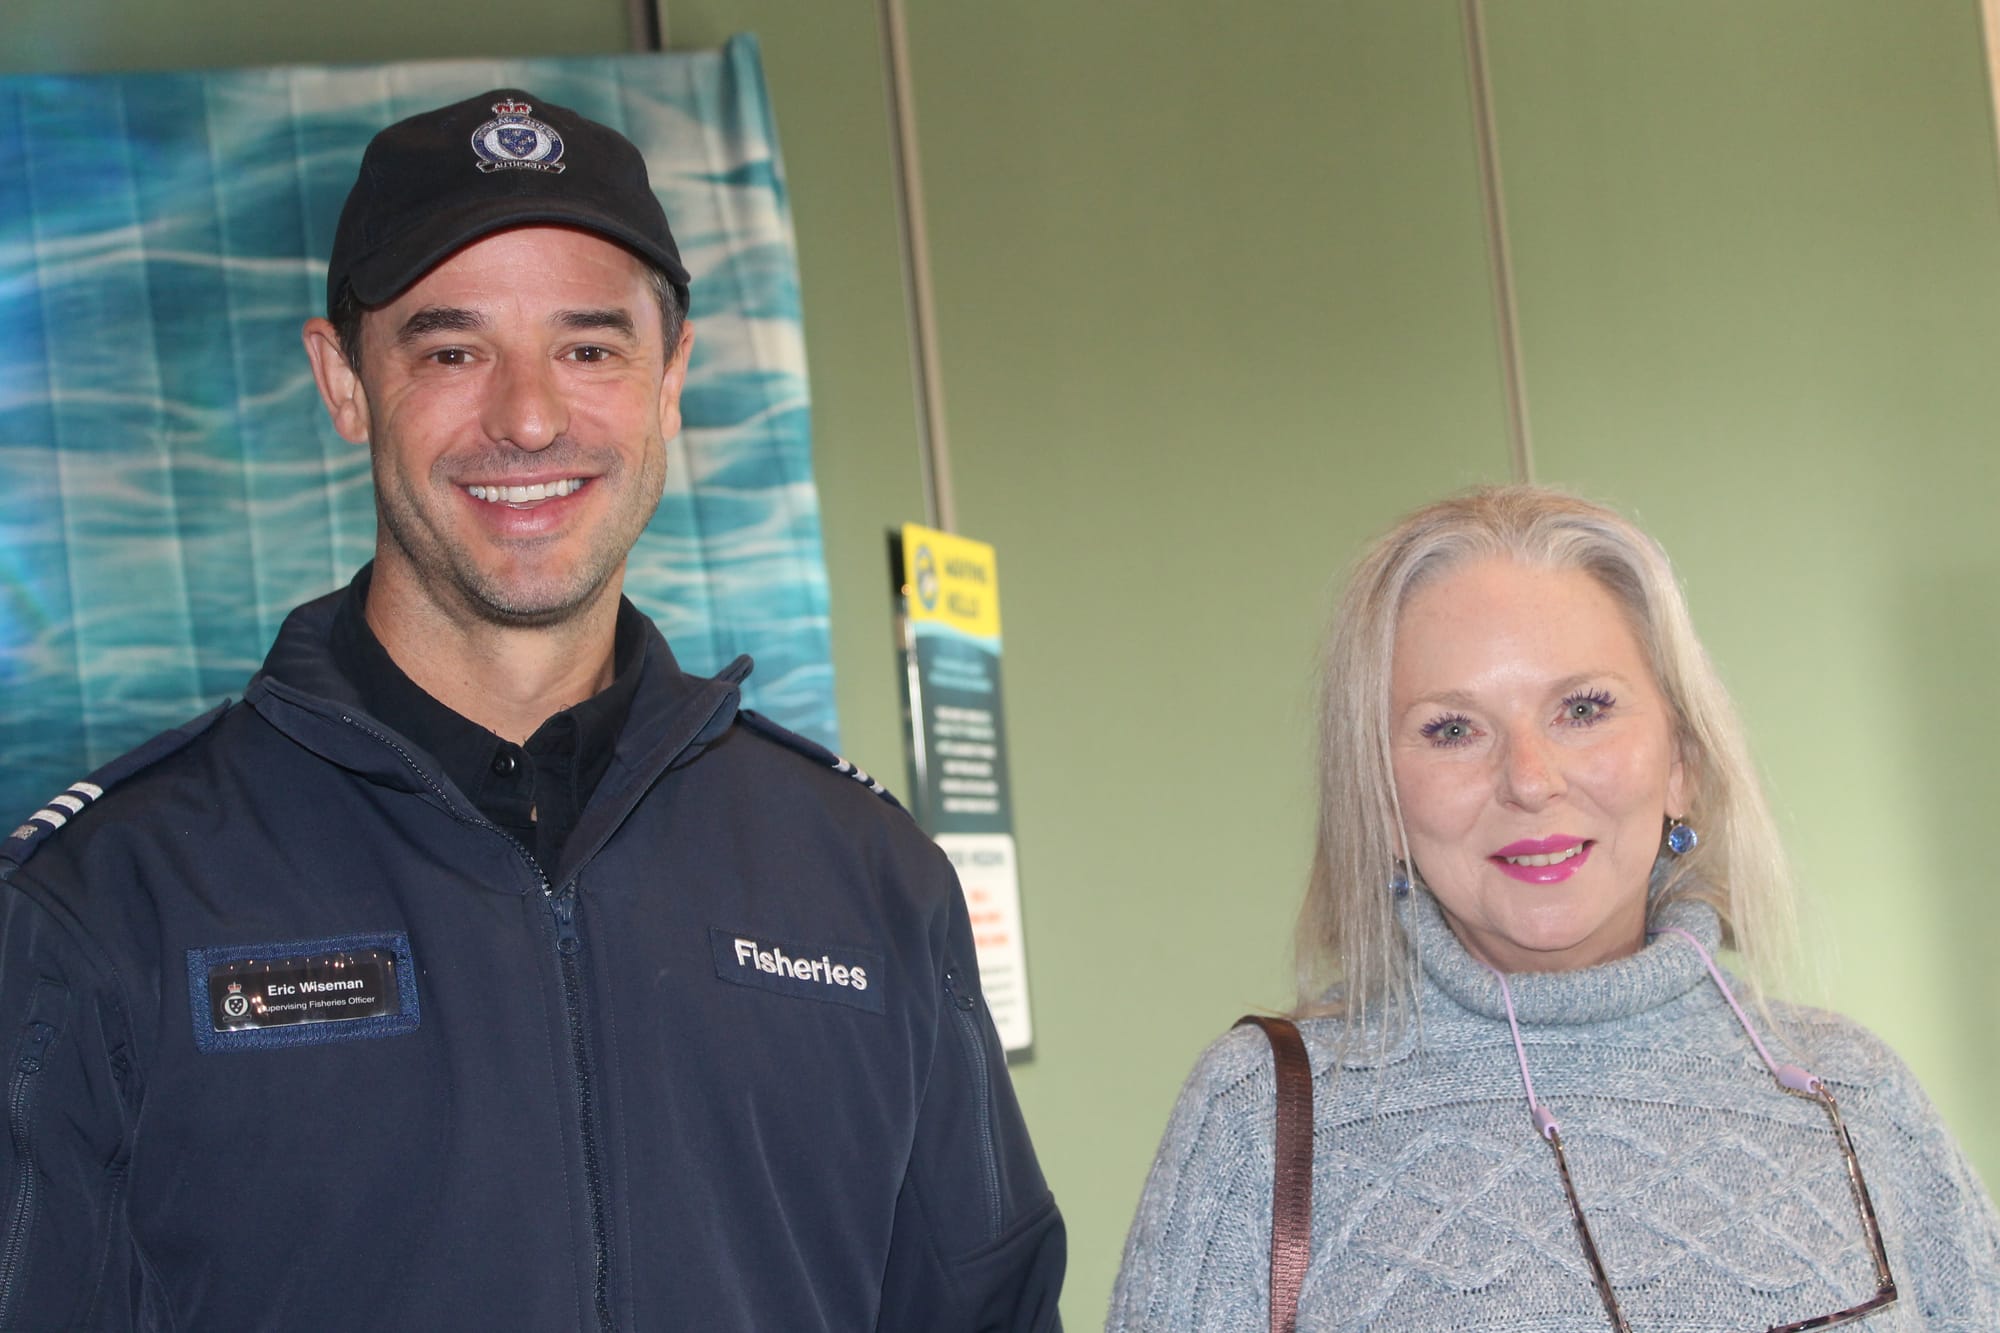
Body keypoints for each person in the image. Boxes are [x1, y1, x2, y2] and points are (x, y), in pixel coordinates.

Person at [0, 89, 1063, 1331]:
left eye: (589, 347)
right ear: (343, 381)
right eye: (451, 351)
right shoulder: (111, 899)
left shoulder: (869, 881)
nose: (526, 418)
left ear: (670, 381)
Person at [1108, 486, 1999, 1330]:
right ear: (1377, 798)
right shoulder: (1257, 1115)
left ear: (1682, 759)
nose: (1530, 780)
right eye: (1452, 728)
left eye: (1583, 707)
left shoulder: (1857, 1095)